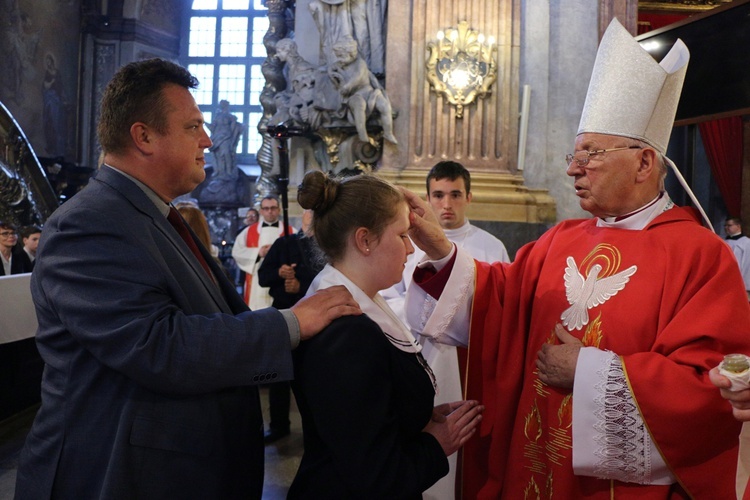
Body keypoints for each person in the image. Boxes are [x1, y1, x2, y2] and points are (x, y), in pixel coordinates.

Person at [401, 19, 750, 499]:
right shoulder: (558, 240)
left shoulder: (700, 257)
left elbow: (707, 388)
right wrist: (439, 246)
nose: (571, 168)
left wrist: (587, 371)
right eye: (574, 151)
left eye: (591, 153)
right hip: (535, 465)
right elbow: (499, 302)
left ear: (645, 163)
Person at [13, 58, 361, 499]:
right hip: (120, 474)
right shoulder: (89, 224)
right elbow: (158, 347)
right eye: (193, 126)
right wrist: (291, 323)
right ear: (144, 136)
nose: (209, 140)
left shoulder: (152, 215)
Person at [288, 170, 484, 498]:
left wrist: (414, 418)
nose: (411, 250)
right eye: (403, 236)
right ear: (364, 240)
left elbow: (364, 416)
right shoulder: (347, 334)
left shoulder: (358, 301)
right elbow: (373, 476)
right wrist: (437, 444)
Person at [381, 161, 509, 499]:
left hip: (469, 361)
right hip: (417, 353)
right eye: (438, 195)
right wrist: (419, 315)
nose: (446, 205)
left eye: (455, 195)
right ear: (427, 198)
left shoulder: (491, 246)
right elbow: (385, 297)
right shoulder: (406, 243)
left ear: (469, 196)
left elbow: (502, 304)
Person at [257, 209, 324, 444]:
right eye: (308, 209)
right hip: (283, 315)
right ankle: (278, 425)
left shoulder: (327, 246)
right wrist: (279, 272)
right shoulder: (283, 244)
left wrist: (301, 285)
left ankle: (318, 429)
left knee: (315, 378)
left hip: (317, 319)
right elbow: (262, 277)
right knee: (279, 377)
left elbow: (330, 281)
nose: (311, 214)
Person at [328, 36, 397, 144]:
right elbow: (335, 81)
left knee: (384, 106)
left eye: (341, 56)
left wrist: (348, 86)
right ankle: (362, 134)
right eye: (338, 56)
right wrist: (331, 72)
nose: (339, 59)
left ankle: (388, 133)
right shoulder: (338, 67)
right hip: (354, 95)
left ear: (350, 53)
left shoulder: (360, 63)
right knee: (359, 106)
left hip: (369, 92)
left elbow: (358, 76)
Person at [232, 195, 295, 310]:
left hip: (281, 282)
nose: (270, 211)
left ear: (279, 210)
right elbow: (237, 252)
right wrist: (258, 253)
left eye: (273, 208)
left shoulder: (290, 231)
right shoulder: (248, 231)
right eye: (266, 208)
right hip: (256, 280)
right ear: (261, 211)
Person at [207, 99, 244, 179]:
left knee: (226, 154)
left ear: (227, 106)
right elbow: (212, 128)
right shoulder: (217, 116)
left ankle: (228, 172)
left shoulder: (231, 117)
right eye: (221, 104)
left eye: (224, 104)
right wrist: (204, 122)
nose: (222, 106)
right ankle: (219, 172)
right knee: (218, 155)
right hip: (217, 138)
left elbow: (234, 130)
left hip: (226, 137)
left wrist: (233, 141)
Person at [725, 217, 750, 300]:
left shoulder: (746, 242)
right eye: (725, 225)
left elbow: (747, 265)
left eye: (729, 225)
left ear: (738, 226)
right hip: (726, 280)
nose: (726, 228)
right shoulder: (723, 241)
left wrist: (746, 286)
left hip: (740, 282)